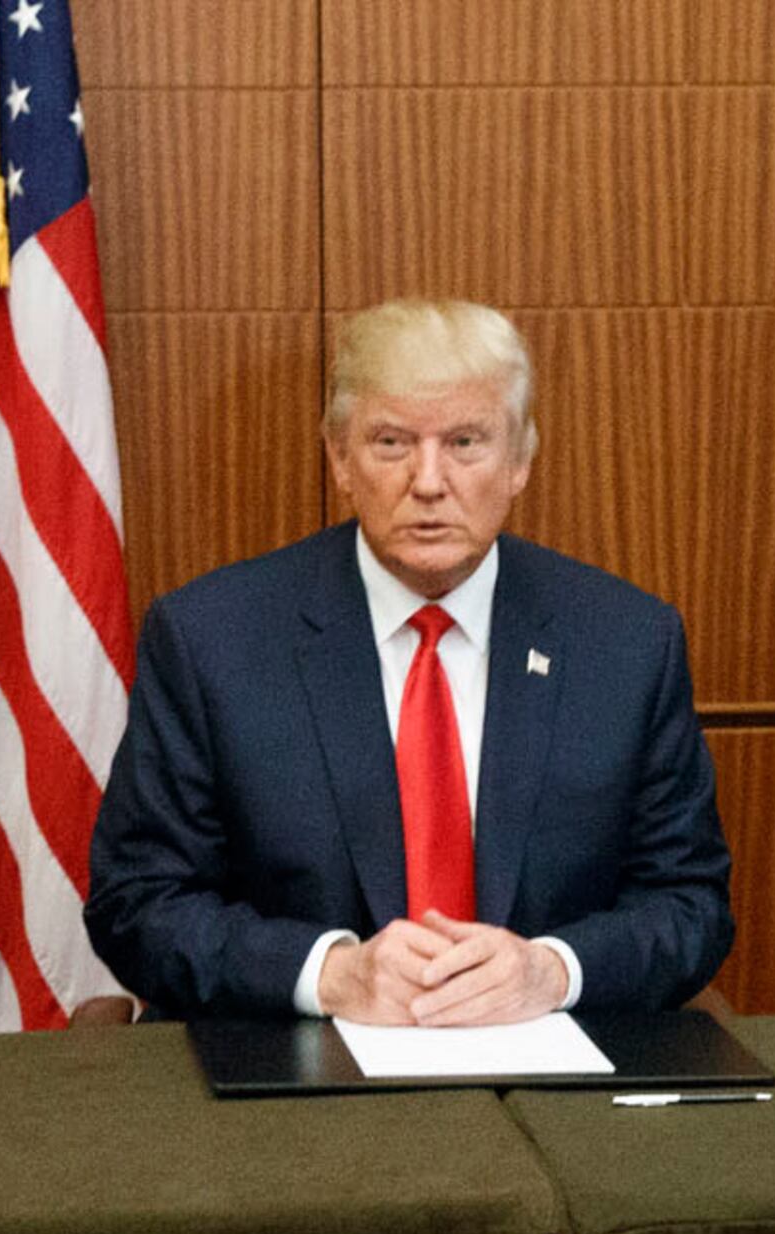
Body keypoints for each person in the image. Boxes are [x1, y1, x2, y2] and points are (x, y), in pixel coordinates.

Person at [85, 298, 733, 1023]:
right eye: (392, 443)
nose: (428, 481)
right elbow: (135, 903)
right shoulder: (213, 640)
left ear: (520, 460)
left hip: (553, 1075)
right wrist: (331, 975)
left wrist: (550, 972)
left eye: (465, 443)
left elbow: (691, 905)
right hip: (293, 1086)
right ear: (340, 457)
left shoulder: (625, 643)